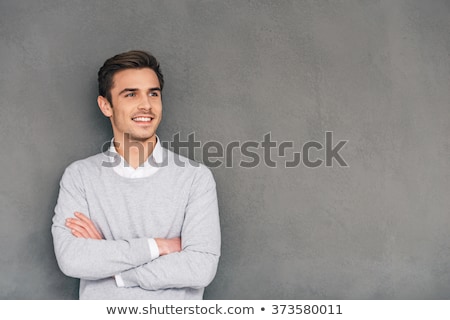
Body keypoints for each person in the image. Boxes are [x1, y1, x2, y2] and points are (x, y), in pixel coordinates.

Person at [51, 50, 221, 300]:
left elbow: (200, 268)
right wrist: (160, 246)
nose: (147, 105)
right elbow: (72, 260)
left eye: (153, 93)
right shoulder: (80, 177)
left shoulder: (196, 178)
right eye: (131, 94)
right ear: (106, 105)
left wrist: (113, 268)